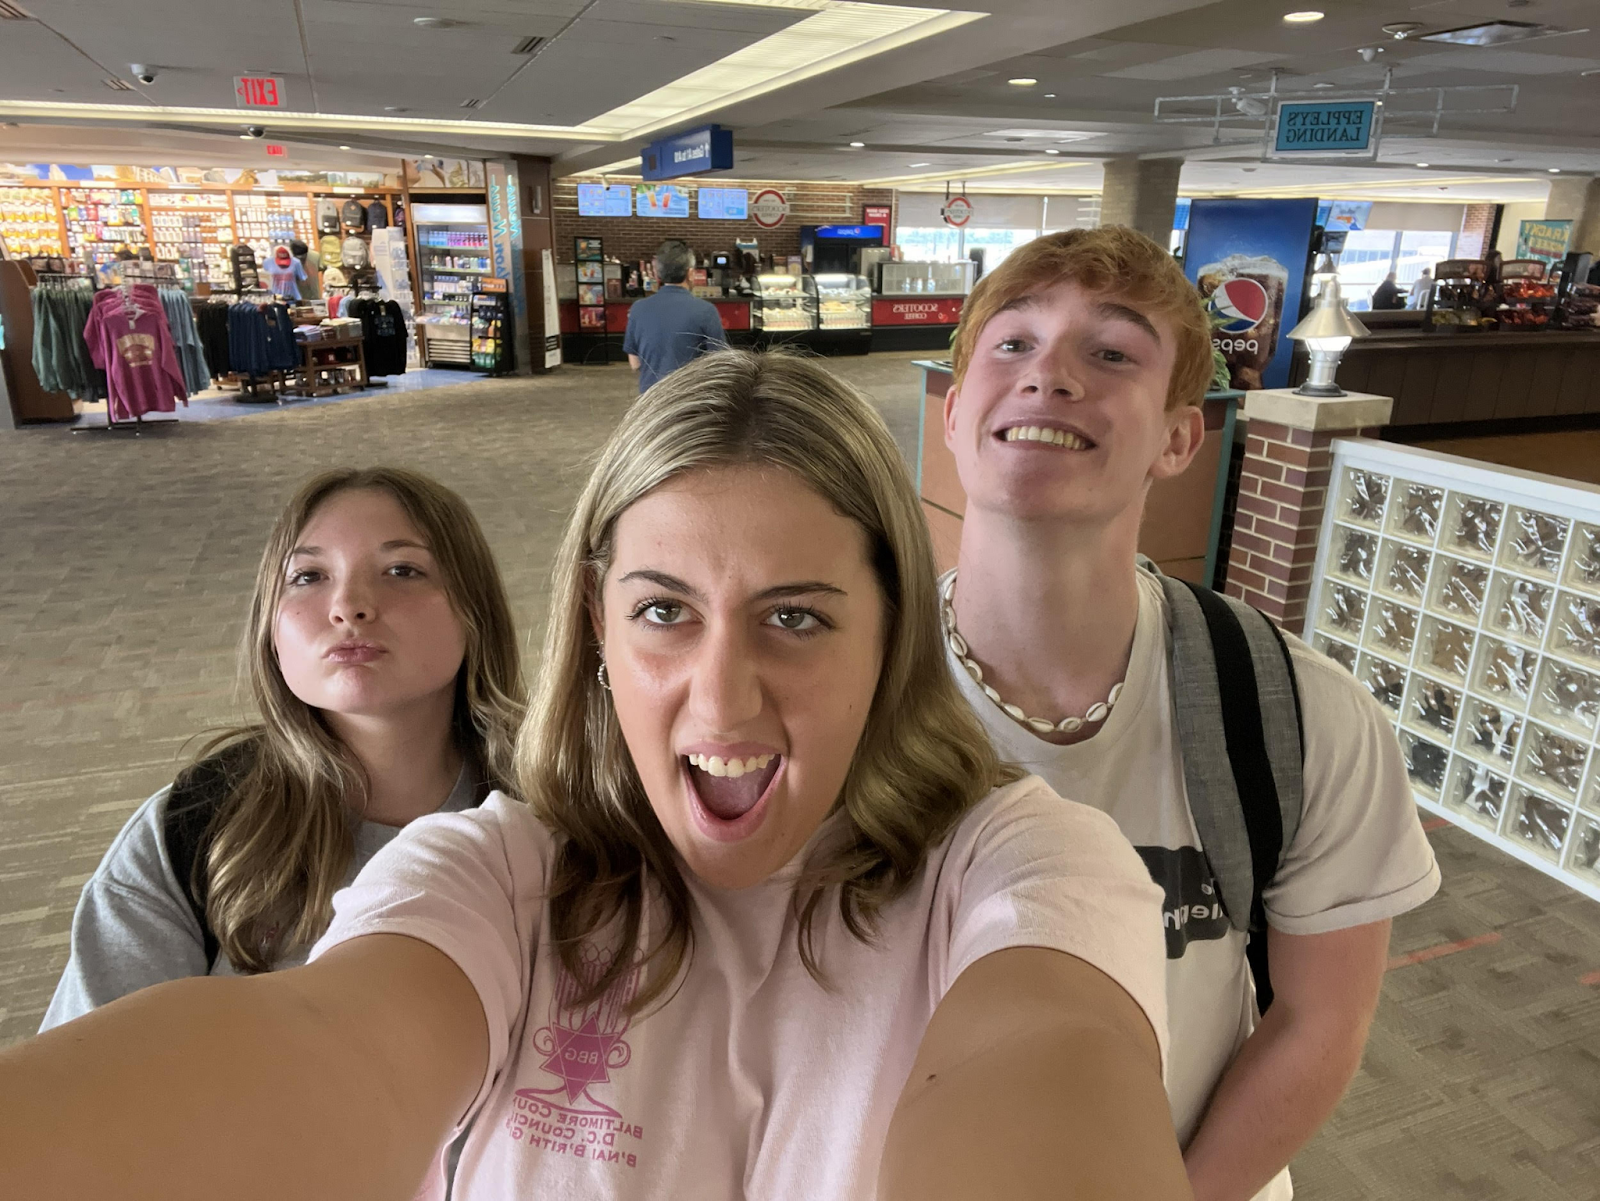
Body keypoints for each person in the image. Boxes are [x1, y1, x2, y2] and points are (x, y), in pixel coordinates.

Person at [3, 351, 1190, 1201]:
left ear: (891, 630)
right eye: (664, 610)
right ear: (597, 624)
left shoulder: (1028, 868)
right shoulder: (492, 871)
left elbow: (1046, 1060)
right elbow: (328, 1041)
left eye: (796, 616)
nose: (722, 698)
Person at [938, 228, 1440, 1201]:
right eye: (1013, 342)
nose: (1050, 373)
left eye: (1111, 352)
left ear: (1177, 436)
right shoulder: (850, 691)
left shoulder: (1295, 715)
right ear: (956, 414)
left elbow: (1317, 1020)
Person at [38, 466, 524, 1030]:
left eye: (402, 569)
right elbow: (91, 1085)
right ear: (269, 623)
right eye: (309, 576)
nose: (349, 606)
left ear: (475, 611)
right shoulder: (195, 832)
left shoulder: (561, 813)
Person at [622, 238, 727, 393]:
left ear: (658, 274)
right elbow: (721, 364)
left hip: (651, 403)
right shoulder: (706, 311)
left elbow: (634, 363)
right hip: (690, 402)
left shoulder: (638, 309)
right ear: (690, 274)